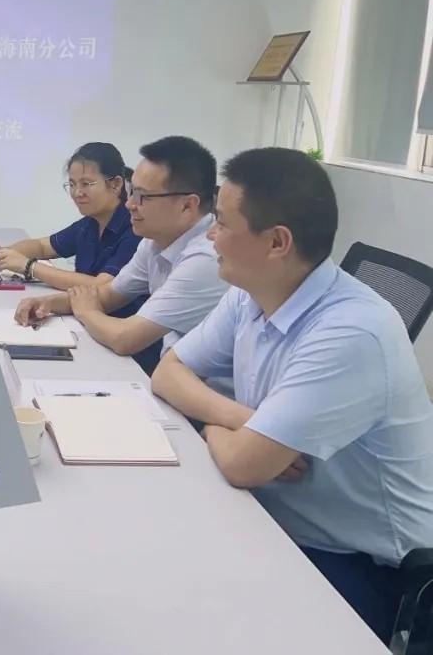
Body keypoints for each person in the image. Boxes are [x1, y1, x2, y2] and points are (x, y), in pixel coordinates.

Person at [151, 147, 433, 643]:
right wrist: (243, 422)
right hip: (271, 513)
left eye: (222, 223)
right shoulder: (249, 293)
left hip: (360, 564)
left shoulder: (351, 332)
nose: (210, 235)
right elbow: (168, 372)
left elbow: (243, 466)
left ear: (277, 242)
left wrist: (216, 426)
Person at [14, 136, 227, 372]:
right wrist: (48, 303)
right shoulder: (154, 240)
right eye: (131, 191)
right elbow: (109, 294)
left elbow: (125, 338)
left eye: (142, 196)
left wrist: (85, 310)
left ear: (187, 205)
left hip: (188, 378)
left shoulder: (205, 259)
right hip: (169, 370)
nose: (129, 204)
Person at [0, 142, 142, 296]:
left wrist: (29, 266)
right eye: (72, 184)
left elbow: (102, 286)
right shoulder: (90, 223)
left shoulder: (135, 229)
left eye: (86, 184)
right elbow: (42, 246)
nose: (77, 193)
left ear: (115, 184)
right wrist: (5, 253)